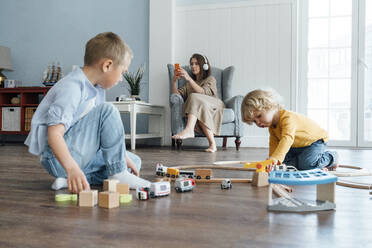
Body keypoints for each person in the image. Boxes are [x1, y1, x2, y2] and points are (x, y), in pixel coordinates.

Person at [25, 32, 151, 193]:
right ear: (107, 66)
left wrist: (122, 158)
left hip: (80, 153)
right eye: (122, 72)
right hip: (58, 159)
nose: (121, 79)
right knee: (108, 110)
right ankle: (103, 174)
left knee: (133, 161)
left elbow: (101, 135)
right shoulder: (72, 87)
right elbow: (54, 135)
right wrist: (71, 168)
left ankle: (73, 179)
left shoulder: (97, 89)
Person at [241, 89, 338, 171]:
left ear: (270, 106)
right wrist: (271, 160)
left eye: (259, 116)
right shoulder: (272, 127)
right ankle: (312, 163)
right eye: (254, 121)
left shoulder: (287, 117)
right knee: (283, 165)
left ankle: (331, 157)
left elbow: (287, 138)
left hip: (314, 142)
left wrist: (275, 158)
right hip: (296, 147)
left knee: (306, 164)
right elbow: (274, 144)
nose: (257, 122)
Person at [171, 54, 224, 153]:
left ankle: (189, 129)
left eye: (196, 64)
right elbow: (177, 95)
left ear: (204, 66)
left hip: (215, 105)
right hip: (202, 108)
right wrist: (174, 81)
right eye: (191, 64)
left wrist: (189, 79)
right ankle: (213, 145)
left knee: (194, 96)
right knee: (200, 110)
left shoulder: (210, 79)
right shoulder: (188, 84)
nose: (193, 66)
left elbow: (203, 92)